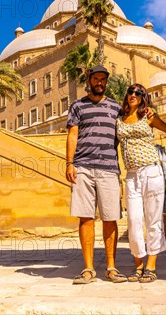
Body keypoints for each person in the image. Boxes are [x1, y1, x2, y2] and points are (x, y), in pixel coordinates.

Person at [65, 65, 128, 284]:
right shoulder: (77, 106)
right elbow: (73, 135)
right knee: (86, 217)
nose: (99, 82)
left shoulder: (115, 108)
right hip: (83, 167)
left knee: (111, 217)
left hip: (109, 168)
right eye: (96, 79)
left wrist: (148, 111)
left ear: (106, 82)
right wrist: (70, 163)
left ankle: (111, 267)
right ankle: (88, 268)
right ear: (89, 81)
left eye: (103, 79)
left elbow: (131, 124)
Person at [116, 83, 166, 283]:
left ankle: (150, 266)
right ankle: (138, 264)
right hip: (132, 175)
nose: (133, 95)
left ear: (144, 98)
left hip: (151, 171)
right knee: (134, 220)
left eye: (138, 93)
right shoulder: (119, 119)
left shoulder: (148, 116)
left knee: (153, 220)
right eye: (131, 92)